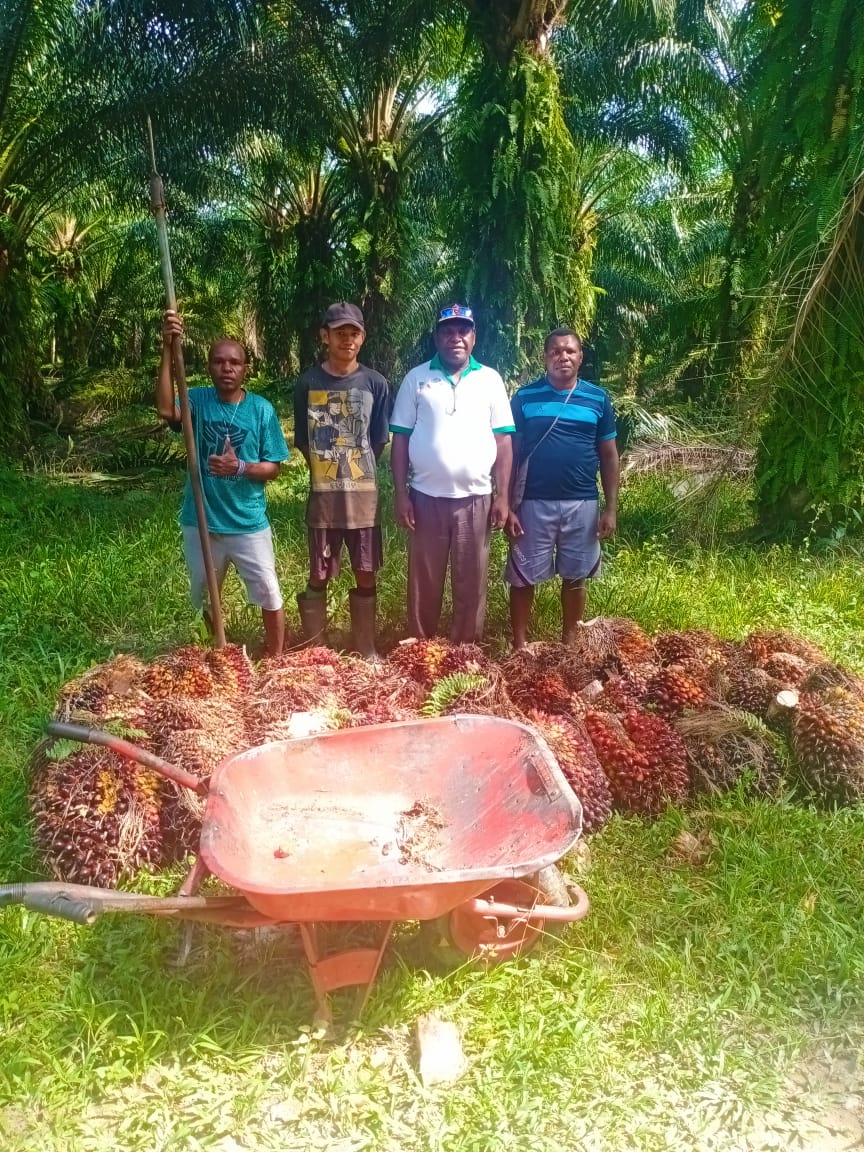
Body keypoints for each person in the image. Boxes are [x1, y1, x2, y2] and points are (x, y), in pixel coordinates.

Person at [156, 310, 290, 656]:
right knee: (205, 593)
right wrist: (168, 348)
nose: (226, 368)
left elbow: (273, 468)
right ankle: (214, 653)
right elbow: (166, 411)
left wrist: (239, 466)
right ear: (209, 368)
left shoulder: (261, 410)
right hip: (202, 521)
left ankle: (275, 659)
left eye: (234, 362)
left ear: (246, 369)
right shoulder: (198, 401)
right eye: (218, 362)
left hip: (247, 522)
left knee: (269, 591)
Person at [390, 303, 514, 643]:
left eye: (463, 331)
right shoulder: (416, 379)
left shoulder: (490, 380)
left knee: (471, 581)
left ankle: (465, 650)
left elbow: (503, 441)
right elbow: (400, 439)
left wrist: (503, 497)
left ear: (474, 337)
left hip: (476, 498)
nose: (455, 337)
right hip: (425, 497)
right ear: (436, 337)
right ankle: (420, 648)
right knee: (424, 581)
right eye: (447, 331)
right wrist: (401, 494)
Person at [506, 326, 619, 649]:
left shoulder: (598, 399)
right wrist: (508, 505)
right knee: (523, 576)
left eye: (570, 351)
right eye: (555, 351)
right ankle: (520, 645)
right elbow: (511, 453)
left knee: (575, 576)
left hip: (582, 502)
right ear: (545, 357)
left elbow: (609, 455)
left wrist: (610, 508)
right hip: (532, 502)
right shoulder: (525, 398)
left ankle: (570, 644)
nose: (563, 357)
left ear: (580, 357)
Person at [294, 302, 390, 657]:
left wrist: (353, 467)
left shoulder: (375, 383)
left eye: (354, 333)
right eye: (339, 333)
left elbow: (377, 440)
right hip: (324, 500)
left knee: (366, 571)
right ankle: (316, 650)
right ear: (325, 336)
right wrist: (327, 470)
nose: (347, 339)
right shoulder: (308, 383)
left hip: (363, 501)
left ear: (362, 338)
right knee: (318, 574)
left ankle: (365, 646)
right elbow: (303, 441)